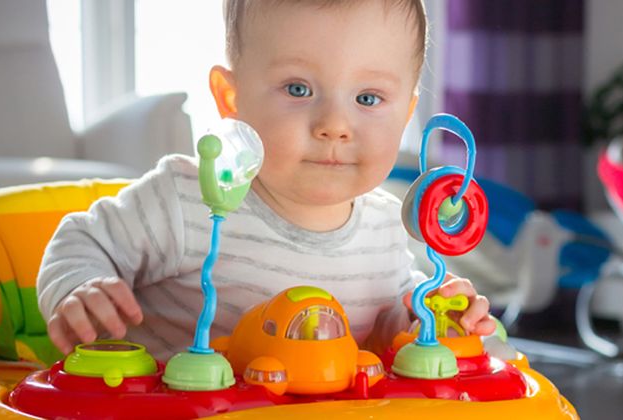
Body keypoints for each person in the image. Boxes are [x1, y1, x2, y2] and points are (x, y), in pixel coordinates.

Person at [37, 0, 494, 361]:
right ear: (231, 98)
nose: (334, 125)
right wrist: (80, 286)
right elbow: (81, 240)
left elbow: (384, 325)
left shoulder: (387, 227)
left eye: (368, 98)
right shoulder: (186, 200)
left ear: (407, 114)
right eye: (298, 89)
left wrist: (428, 320)